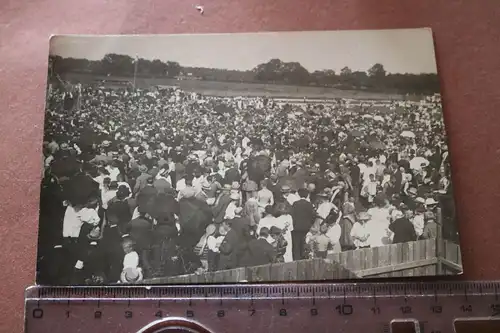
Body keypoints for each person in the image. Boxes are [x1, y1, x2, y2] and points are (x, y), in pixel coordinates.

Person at [291, 188, 315, 260]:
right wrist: (309, 223)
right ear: (307, 195)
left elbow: (292, 215)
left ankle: (296, 260)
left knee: (296, 246)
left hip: (296, 228)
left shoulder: (295, 204)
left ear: (298, 194)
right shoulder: (309, 205)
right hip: (306, 228)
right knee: (304, 245)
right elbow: (313, 216)